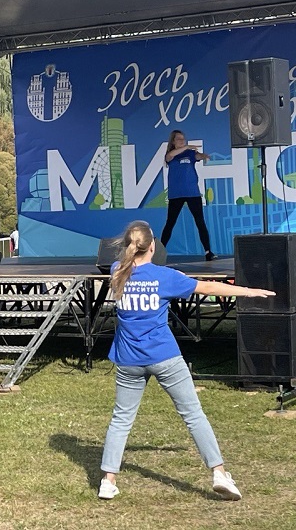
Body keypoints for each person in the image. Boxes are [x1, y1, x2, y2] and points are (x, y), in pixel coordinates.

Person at [98, 220, 275, 502]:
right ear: (153, 247)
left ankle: (108, 481)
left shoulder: (117, 271)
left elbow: (129, 266)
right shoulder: (166, 277)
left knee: (121, 419)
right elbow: (208, 288)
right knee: (193, 414)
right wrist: (248, 291)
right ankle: (219, 473)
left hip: (128, 359)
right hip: (164, 356)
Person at [160, 130, 217, 261]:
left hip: (192, 192)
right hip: (176, 194)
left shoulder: (190, 153)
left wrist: (203, 156)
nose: (182, 140)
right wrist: (186, 147)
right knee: (170, 223)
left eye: (183, 138)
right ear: (173, 141)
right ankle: (160, 252)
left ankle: (208, 251)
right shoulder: (171, 155)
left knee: (200, 221)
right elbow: (169, 156)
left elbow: (198, 156)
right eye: (179, 139)